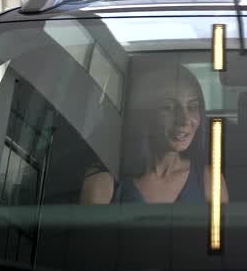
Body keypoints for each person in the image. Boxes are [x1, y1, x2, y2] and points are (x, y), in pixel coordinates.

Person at [80, 68, 228, 204]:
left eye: (193, 107)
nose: (184, 120)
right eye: (168, 108)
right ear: (145, 114)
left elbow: (224, 233)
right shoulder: (104, 183)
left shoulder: (211, 181)